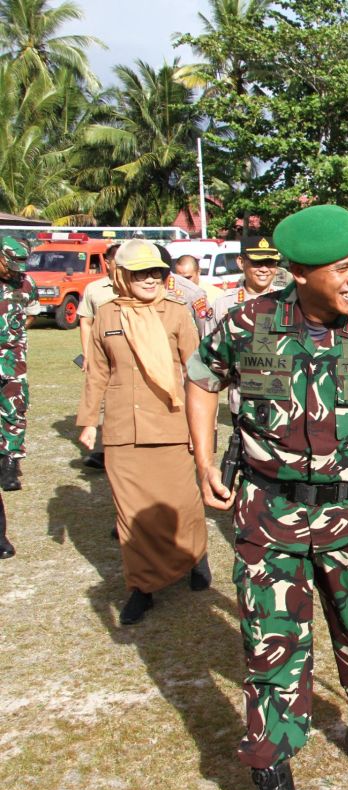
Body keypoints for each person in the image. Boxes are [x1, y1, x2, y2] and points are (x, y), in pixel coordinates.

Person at [185, 205, 348, 790]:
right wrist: (202, 462)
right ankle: (271, 765)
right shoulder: (249, 323)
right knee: (271, 643)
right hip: (267, 515)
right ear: (299, 273)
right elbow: (200, 381)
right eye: (345, 269)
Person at [76, 240, 208, 623]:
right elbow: (97, 372)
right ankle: (141, 586)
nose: (150, 280)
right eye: (141, 273)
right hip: (123, 430)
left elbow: (198, 373)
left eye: (156, 272)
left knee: (183, 502)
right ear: (122, 275)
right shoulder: (106, 314)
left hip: (172, 422)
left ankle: (195, 558)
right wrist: (88, 421)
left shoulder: (177, 313)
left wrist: (200, 431)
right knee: (131, 515)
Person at [0, 237, 35, 556]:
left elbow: (31, 314)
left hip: (13, 358)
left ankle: (10, 462)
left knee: (15, 409)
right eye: (12, 265)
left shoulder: (26, 284)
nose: (16, 271)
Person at [77, 245, 120, 470]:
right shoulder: (95, 289)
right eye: (115, 260)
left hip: (124, 353)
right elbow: (86, 321)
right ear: (107, 261)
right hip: (101, 353)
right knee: (102, 399)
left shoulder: (134, 286)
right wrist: (87, 353)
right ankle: (105, 449)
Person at [197, 237, 281, 339]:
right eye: (257, 262)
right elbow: (208, 349)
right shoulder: (223, 304)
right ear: (241, 263)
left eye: (270, 262)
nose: (264, 269)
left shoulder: (287, 302)